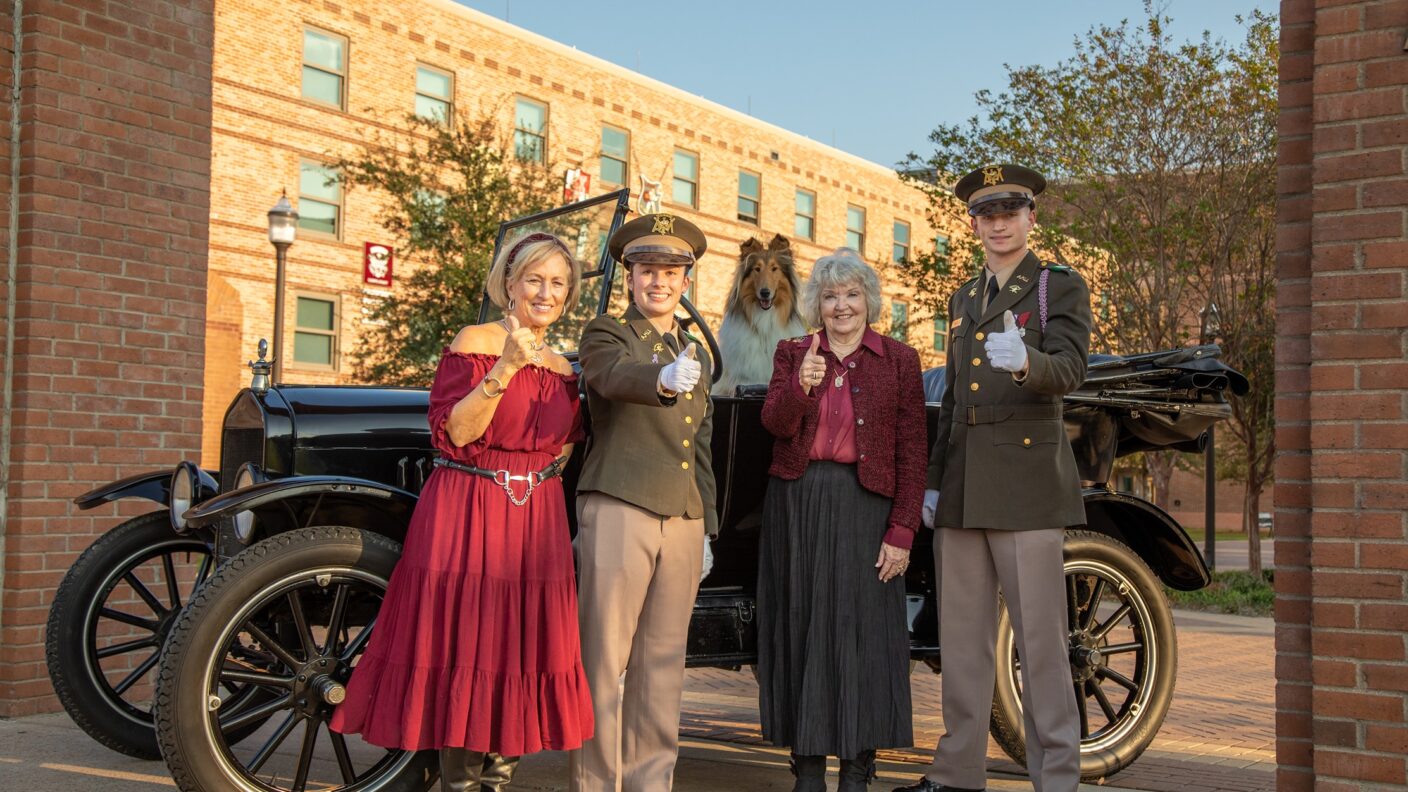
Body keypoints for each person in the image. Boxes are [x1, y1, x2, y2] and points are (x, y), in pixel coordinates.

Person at [330, 232, 595, 792]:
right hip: (469, 511)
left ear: (567, 296)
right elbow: (456, 431)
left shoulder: (563, 365)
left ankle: (495, 783)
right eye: (534, 280)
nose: (545, 293)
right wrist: (503, 370)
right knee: (468, 647)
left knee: (520, 653)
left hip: (534, 522)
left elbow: (565, 444)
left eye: (557, 284)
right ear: (509, 285)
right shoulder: (476, 341)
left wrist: (535, 480)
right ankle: (458, 786)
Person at [894, 165, 1091, 792]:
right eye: (986, 214)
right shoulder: (965, 297)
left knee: (1039, 645)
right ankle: (958, 773)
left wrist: (1028, 362)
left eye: (1010, 211)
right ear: (974, 224)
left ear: (1031, 218)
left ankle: (1055, 776)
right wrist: (932, 480)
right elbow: (952, 401)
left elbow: (1072, 370)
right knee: (962, 642)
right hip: (963, 484)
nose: (998, 223)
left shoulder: (1056, 286)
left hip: (1027, 483)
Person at [757, 248, 925, 792]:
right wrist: (800, 387)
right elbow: (776, 425)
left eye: (852, 294)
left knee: (863, 636)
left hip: (867, 506)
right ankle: (807, 769)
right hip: (799, 503)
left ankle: (857, 768)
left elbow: (912, 451)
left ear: (869, 301)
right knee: (803, 629)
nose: (841, 305)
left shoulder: (899, 360)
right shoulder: (793, 351)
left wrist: (902, 532)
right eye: (830, 296)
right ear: (817, 304)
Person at [570, 212, 717, 792]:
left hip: (681, 517)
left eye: (671, 271)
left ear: (687, 280)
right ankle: (596, 784)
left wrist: (707, 526)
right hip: (619, 504)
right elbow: (610, 377)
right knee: (603, 664)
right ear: (629, 278)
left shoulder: (694, 351)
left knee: (662, 668)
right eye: (647, 270)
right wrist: (661, 379)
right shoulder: (607, 333)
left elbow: (699, 446)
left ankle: (651, 783)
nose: (659, 281)